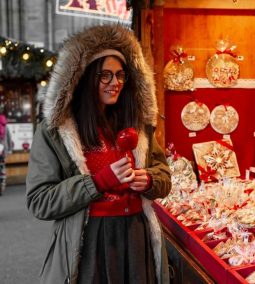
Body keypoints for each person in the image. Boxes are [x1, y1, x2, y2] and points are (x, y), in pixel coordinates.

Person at [26, 25, 172, 284]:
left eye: (120, 75)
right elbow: (40, 200)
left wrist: (148, 180)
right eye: (104, 75)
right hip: (89, 244)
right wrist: (97, 182)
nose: (115, 83)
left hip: (137, 240)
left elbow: (163, 175)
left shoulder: (138, 123)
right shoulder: (58, 131)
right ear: (84, 78)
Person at [0, 114, 12, 195]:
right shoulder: (4, 124)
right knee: (2, 168)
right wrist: (10, 149)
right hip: (2, 150)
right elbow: (9, 137)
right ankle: (1, 187)